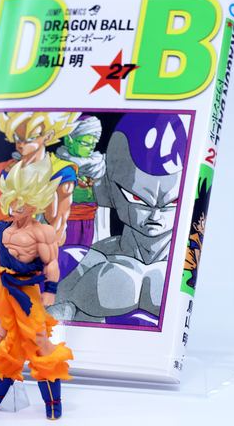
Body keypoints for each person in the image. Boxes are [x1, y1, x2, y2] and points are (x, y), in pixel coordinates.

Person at [52, 113, 187, 326]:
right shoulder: (79, 264)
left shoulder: (191, 266)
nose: (155, 215)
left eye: (172, 202)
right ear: (106, 190)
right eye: (138, 199)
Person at [0, 112, 79, 316]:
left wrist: (47, 283)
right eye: (18, 138)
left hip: (26, 260)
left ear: (48, 136)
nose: (21, 144)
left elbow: (57, 230)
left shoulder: (59, 173)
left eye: (30, 138)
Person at [0, 157, 73, 420]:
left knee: (39, 339)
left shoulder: (43, 232)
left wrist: (50, 289)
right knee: (2, 337)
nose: (14, 206)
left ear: (33, 204)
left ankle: (53, 401)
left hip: (28, 291)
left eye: (20, 201)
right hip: (3, 289)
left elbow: (51, 263)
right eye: (12, 200)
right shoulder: (1, 230)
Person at [54, 115, 106, 246]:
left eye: (93, 144)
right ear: (69, 140)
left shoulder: (98, 166)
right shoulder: (57, 165)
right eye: (85, 143)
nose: (91, 148)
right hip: (66, 223)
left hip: (91, 222)